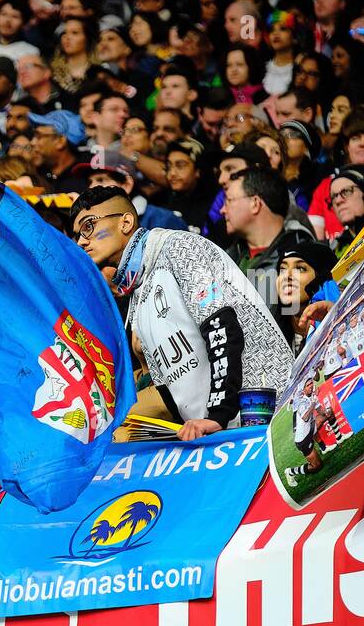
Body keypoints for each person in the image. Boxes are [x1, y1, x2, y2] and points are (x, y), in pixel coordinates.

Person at [70, 185, 293, 441]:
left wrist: (217, 415)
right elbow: (170, 387)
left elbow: (221, 329)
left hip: (268, 418)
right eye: (77, 235)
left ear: (126, 222)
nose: (81, 241)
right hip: (215, 434)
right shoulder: (139, 291)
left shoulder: (179, 248)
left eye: (88, 226)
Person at [222, 168, 317, 336]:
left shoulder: (301, 256)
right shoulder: (227, 256)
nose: (223, 210)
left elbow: (301, 332)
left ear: (255, 203)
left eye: (229, 200)